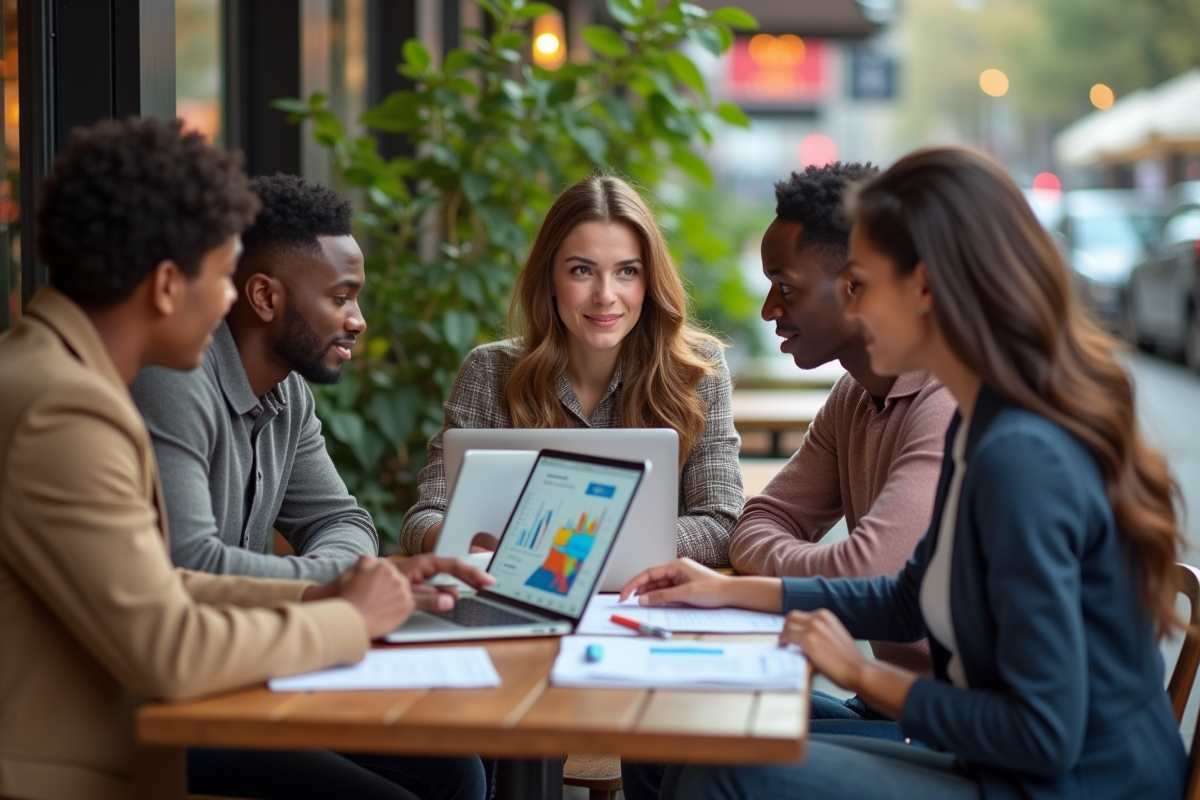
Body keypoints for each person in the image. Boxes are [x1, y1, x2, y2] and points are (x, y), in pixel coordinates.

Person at [617, 146, 1187, 800]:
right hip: (994, 763)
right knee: (688, 740)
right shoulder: (983, 421)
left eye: (861, 284)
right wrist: (724, 591)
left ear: (924, 288)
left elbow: (1044, 735)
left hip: (1071, 784)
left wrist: (862, 676)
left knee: (722, 775)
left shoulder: (1017, 457)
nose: (854, 310)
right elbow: (904, 598)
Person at [0, 117, 491, 800]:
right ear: (169, 285)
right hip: (80, 763)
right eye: (222, 277)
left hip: (142, 721)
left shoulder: (56, 377)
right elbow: (168, 642)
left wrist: (338, 589)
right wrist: (349, 618)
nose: (231, 301)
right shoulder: (64, 410)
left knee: (447, 768)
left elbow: (169, 587)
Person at [400, 174, 743, 565]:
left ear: (649, 281)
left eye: (627, 271)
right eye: (582, 271)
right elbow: (423, 518)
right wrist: (461, 540)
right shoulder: (489, 372)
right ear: (550, 279)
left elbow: (721, 525)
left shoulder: (698, 374)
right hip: (519, 600)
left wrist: (572, 543)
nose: (605, 295)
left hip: (645, 607)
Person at [131, 173, 378, 581]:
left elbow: (340, 520)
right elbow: (188, 563)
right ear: (265, 297)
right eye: (340, 298)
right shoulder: (174, 378)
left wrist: (322, 575)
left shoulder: (288, 394)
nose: (358, 321)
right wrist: (327, 584)